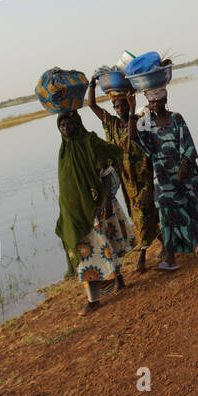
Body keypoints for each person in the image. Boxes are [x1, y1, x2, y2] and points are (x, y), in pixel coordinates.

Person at [55, 110, 136, 314]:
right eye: (61, 125)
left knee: (98, 248)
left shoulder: (89, 142)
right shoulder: (64, 151)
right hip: (75, 214)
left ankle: (94, 300)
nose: (65, 128)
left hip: (96, 206)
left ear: (77, 123)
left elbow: (106, 171)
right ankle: (116, 283)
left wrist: (106, 199)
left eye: (68, 124)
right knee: (92, 249)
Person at [86, 79, 159, 272]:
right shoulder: (111, 124)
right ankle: (166, 242)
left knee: (142, 211)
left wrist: (133, 107)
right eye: (116, 106)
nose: (119, 109)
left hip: (143, 176)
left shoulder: (140, 120)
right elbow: (91, 104)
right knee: (142, 213)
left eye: (123, 105)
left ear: (129, 104)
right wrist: (92, 85)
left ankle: (142, 256)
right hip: (127, 182)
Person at [131, 87, 198, 269]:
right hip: (162, 175)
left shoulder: (176, 118)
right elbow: (134, 136)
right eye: (151, 102)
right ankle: (171, 258)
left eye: (158, 100)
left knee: (189, 206)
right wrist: (132, 109)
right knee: (165, 214)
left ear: (165, 99)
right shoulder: (146, 122)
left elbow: (188, 144)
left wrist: (184, 165)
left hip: (183, 171)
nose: (155, 104)